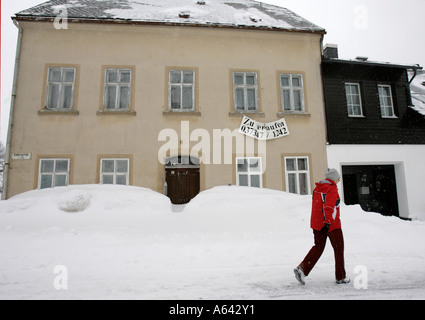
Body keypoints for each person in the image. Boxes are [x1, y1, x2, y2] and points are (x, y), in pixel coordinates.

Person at [294, 168, 350, 285]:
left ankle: (302, 269)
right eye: (338, 178)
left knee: (318, 247)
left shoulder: (317, 189)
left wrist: (321, 223)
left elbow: (317, 206)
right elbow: (329, 207)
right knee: (339, 249)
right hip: (331, 225)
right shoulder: (331, 189)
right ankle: (340, 276)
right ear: (334, 178)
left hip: (317, 224)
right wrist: (328, 222)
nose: (338, 180)